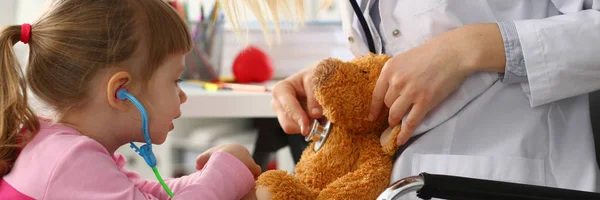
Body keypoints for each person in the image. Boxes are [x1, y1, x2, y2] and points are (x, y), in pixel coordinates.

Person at [223, 0, 600, 196]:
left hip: (506, 178)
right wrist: (330, 81)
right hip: (402, 185)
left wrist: (470, 48)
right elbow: (395, 46)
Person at [0, 0, 261, 199]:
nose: (182, 96)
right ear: (120, 92)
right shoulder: (70, 160)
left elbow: (144, 191)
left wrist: (206, 179)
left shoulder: (59, 147)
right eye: (175, 80)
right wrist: (227, 169)